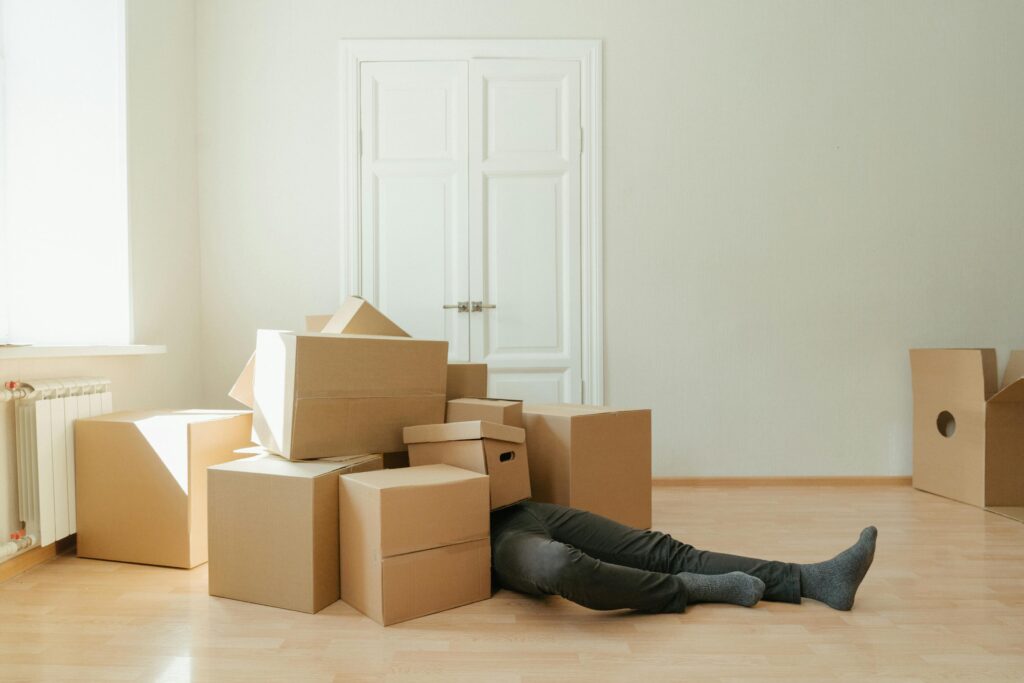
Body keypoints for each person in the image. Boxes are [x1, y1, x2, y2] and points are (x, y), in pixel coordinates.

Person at [491, 501, 876, 613]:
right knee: (559, 565)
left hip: (517, 506)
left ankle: (814, 579)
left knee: (663, 550)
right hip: (487, 536)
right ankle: (684, 589)